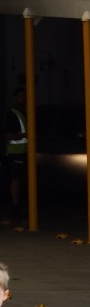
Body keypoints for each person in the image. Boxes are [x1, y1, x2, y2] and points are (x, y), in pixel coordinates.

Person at [4, 87, 27, 220]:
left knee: (20, 179)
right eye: (21, 96)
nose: (23, 99)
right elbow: (8, 135)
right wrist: (23, 135)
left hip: (24, 151)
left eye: (24, 96)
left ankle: (18, 206)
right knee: (16, 179)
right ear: (15, 98)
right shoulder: (13, 114)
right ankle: (15, 206)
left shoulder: (24, 112)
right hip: (16, 152)